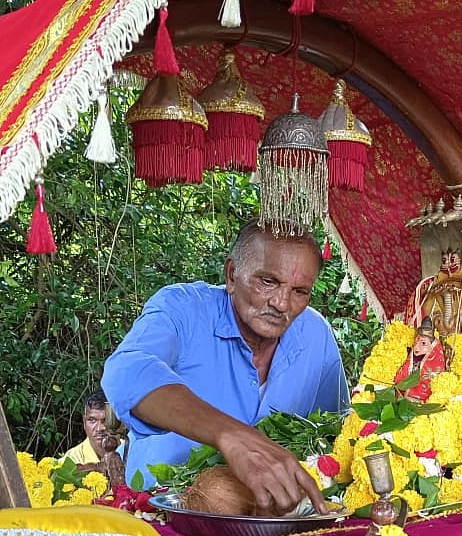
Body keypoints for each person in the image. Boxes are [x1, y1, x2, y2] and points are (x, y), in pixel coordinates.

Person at [102, 220, 349, 514]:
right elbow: (125, 372)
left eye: (300, 291)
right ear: (232, 274)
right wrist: (231, 436)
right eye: (268, 282)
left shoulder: (316, 335)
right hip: (164, 524)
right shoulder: (182, 309)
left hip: (277, 534)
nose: (282, 304)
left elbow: (333, 438)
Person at [393, 317, 448, 402]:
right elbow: (401, 378)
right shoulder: (412, 360)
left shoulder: (435, 361)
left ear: (433, 347)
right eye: (416, 343)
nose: (416, 348)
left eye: (423, 343)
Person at [61, 391, 111, 465]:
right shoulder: (71, 460)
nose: (99, 428)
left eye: (106, 420)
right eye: (92, 420)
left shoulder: (130, 450)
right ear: (84, 422)